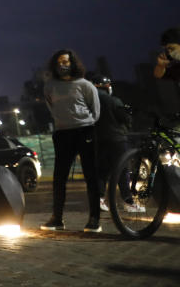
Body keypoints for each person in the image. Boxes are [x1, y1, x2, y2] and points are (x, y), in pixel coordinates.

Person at [40, 49, 102, 233]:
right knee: (59, 178)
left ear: (73, 63)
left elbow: (95, 111)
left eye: (66, 61)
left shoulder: (85, 85)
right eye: (59, 61)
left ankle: (94, 219)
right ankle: (57, 219)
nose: (62, 65)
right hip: (62, 133)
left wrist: (83, 121)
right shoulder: (49, 86)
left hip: (85, 131)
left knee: (91, 176)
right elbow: (51, 107)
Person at [93, 76, 135, 213]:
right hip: (117, 139)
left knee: (102, 172)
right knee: (122, 170)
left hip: (99, 140)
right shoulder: (113, 100)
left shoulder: (90, 102)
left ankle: (99, 199)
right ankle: (128, 201)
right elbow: (124, 117)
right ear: (106, 86)